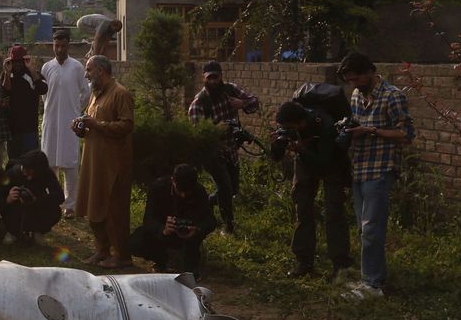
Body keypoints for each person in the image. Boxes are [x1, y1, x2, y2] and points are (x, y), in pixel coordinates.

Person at [338, 53, 414, 300]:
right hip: (359, 168)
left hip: (380, 169)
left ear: (371, 71)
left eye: (358, 78)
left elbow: (406, 134)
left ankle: (373, 284)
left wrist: (369, 130)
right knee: (364, 229)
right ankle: (371, 279)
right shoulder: (357, 95)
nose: (355, 84)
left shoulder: (393, 95)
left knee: (371, 229)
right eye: (350, 81)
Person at [273, 101, 352, 278]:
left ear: (300, 122)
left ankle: (341, 264)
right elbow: (276, 157)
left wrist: (301, 149)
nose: (287, 130)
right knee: (302, 209)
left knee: (333, 212)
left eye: (288, 128)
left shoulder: (325, 125)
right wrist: (277, 144)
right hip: (305, 162)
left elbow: (324, 163)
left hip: (332, 165)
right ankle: (304, 261)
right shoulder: (290, 126)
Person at [72, 55, 135, 269]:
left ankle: (122, 256)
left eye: (89, 70)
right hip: (93, 161)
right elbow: (94, 125)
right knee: (94, 205)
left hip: (114, 163)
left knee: (113, 209)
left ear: (101, 70)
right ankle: (102, 250)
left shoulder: (120, 93)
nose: (86, 74)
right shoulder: (95, 95)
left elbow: (126, 126)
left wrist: (97, 125)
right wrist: (81, 128)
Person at [187, 60, 260, 235]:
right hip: (212, 153)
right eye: (209, 78)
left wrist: (242, 104)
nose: (213, 81)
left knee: (233, 189)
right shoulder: (199, 103)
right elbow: (198, 136)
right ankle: (228, 226)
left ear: (221, 76)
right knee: (225, 188)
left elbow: (254, 102)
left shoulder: (231, 90)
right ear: (204, 78)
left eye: (216, 77)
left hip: (231, 148)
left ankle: (205, 203)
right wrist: (218, 129)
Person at [129, 164, 217, 278]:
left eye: (188, 192)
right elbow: (148, 219)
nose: (183, 195)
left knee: (189, 272)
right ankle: (161, 258)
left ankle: (189, 263)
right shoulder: (158, 188)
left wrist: (197, 229)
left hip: (189, 238)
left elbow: (211, 221)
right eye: (180, 190)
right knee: (135, 242)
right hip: (162, 234)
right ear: (172, 181)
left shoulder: (199, 192)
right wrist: (162, 229)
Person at [41, 28, 91, 217]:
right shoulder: (47, 67)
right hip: (51, 120)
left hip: (71, 122)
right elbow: (44, 94)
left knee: (70, 164)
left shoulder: (77, 67)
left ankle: (70, 205)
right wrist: (50, 107)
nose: (60, 49)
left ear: (68, 45)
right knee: (50, 162)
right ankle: (52, 201)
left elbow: (85, 92)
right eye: (57, 45)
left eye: (63, 45)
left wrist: (76, 110)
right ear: (53, 45)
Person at [3, 149, 64, 245]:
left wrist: (37, 199)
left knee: (55, 211)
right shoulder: (12, 172)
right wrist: (8, 198)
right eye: (27, 173)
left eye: (33, 174)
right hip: (15, 208)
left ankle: (37, 231)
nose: (29, 178)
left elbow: (59, 196)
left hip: (36, 206)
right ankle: (12, 231)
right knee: (10, 209)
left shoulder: (46, 172)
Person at [2, 45, 47, 159]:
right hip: (12, 130)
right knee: (14, 164)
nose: (17, 64)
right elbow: (3, 92)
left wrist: (31, 69)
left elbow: (42, 89)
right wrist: (7, 73)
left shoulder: (32, 74)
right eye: (14, 61)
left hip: (29, 129)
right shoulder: (7, 75)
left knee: (31, 164)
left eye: (20, 61)